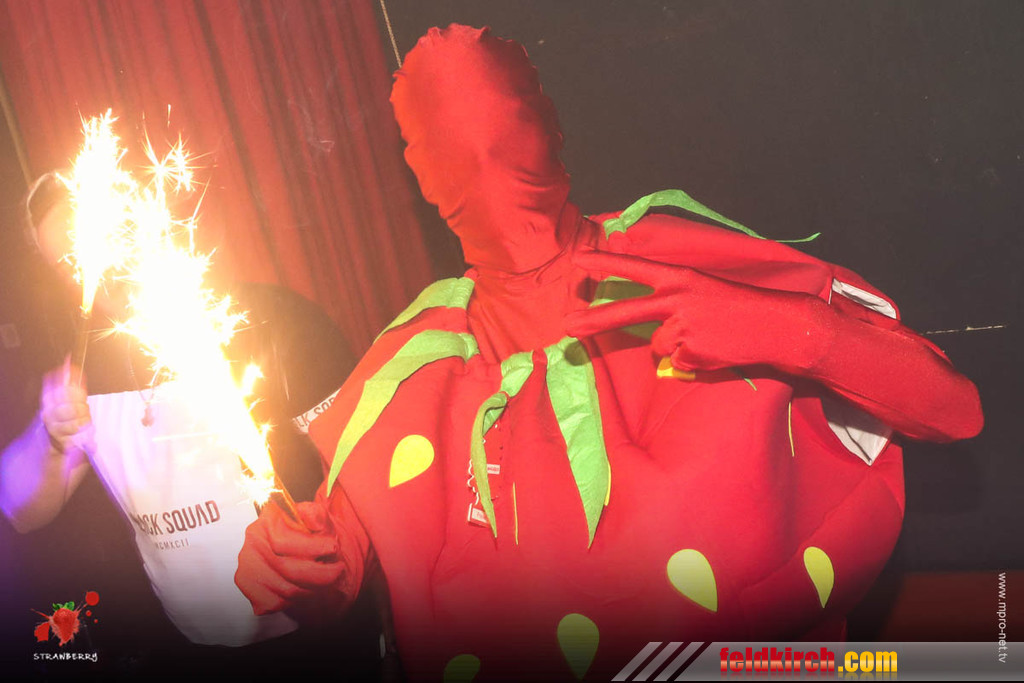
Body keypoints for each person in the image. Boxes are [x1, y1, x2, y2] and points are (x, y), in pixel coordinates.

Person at [234, 24, 983, 681]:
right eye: (439, 146)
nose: (482, 161)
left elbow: (955, 410)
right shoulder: (417, 363)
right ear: (420, 175)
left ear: (548, 126)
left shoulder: (674, 265)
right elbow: (343, 567)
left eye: (504, 119)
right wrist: (302, 569)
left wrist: (787, 330)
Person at [0, 174, 357, 652]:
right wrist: (51, 437)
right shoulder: (86, 374)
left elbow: (362, 473)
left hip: (317, 638)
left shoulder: (272, 322)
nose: (95, 265)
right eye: (69, 260)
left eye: (103, 234)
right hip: (193, 648)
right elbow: (18, 510)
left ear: (145, 215)